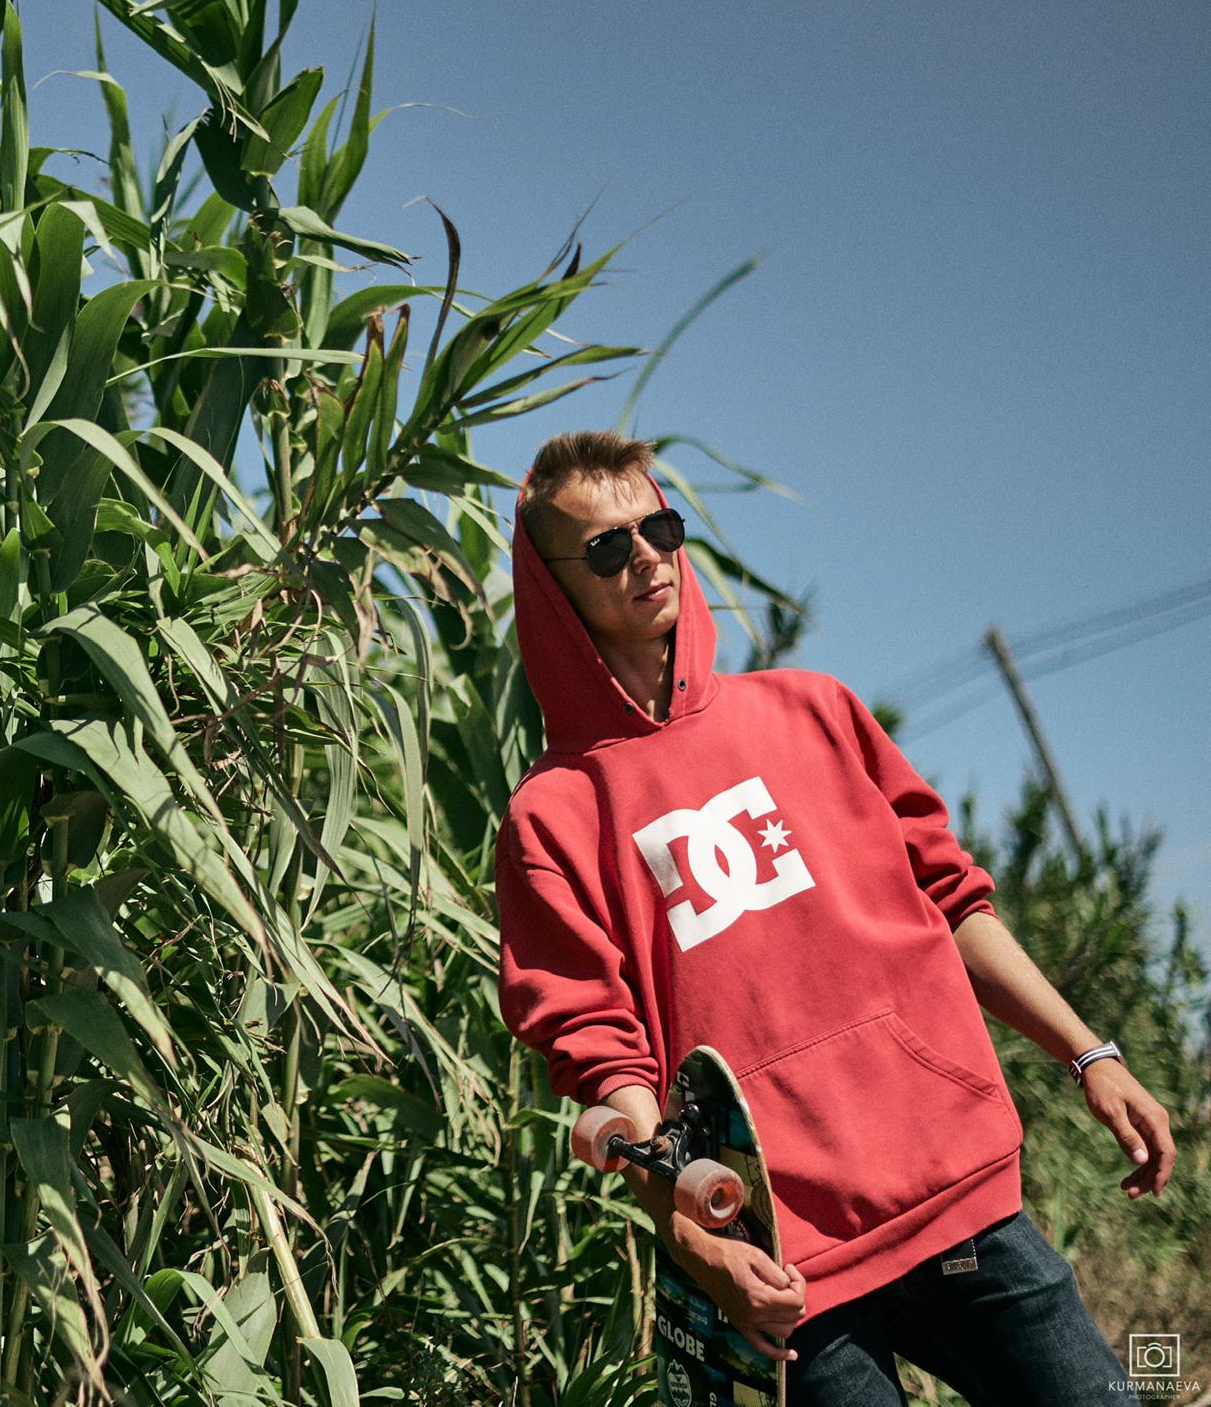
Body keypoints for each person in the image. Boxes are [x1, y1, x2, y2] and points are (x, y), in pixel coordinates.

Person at [491, 429, 1176, 1404]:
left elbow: (953, 900)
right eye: (607, 547)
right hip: (779, 1264)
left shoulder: (814, 711)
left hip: (954, 1197)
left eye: (659, 528)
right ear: (554, 587)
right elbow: (608, 1064)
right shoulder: (552, 815)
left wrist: (1090, 1054)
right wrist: (690, 1236)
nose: (645, 557)